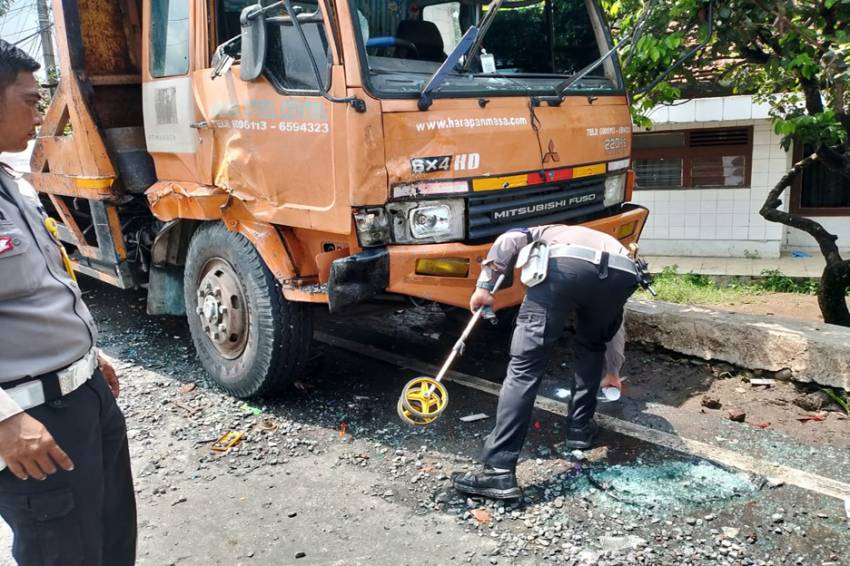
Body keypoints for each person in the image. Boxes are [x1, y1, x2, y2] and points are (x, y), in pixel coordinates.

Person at [0, 40, 136, 565]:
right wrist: (4, 421)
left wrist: (87, 360)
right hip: (31, 422)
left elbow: (42, 291)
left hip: (85, 400)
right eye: (29, 101)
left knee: (110, 544)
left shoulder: (12, 184)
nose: (39, 115)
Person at [453, 224, 640, 499]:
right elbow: (616, 324)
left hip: (564, 265)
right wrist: (613, 370)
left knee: (525, 367)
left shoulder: (541, 231)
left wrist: (484, 286)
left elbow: (508, 239)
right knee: (592, 347)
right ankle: (579, 431)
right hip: (623, 273)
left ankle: (498, 471)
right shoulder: (609, 242)